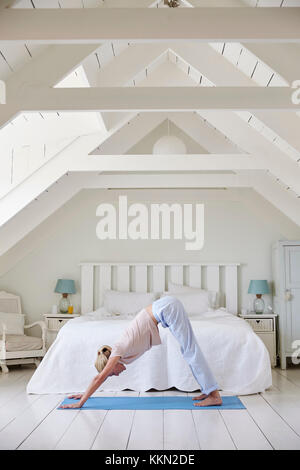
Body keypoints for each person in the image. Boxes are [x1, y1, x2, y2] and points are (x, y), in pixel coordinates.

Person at [60, 296, 222, 409]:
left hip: (166, 308)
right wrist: (84, 393)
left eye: (111, 373)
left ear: (111, 364)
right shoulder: (121, 351)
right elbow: (100, 378)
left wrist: (82, 400)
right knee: (188, 350)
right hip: (165, 308)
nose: (114, 375)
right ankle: (208, 391)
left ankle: (214, 395)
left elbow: (98, 378)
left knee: (190, 351)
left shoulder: (118, 350)